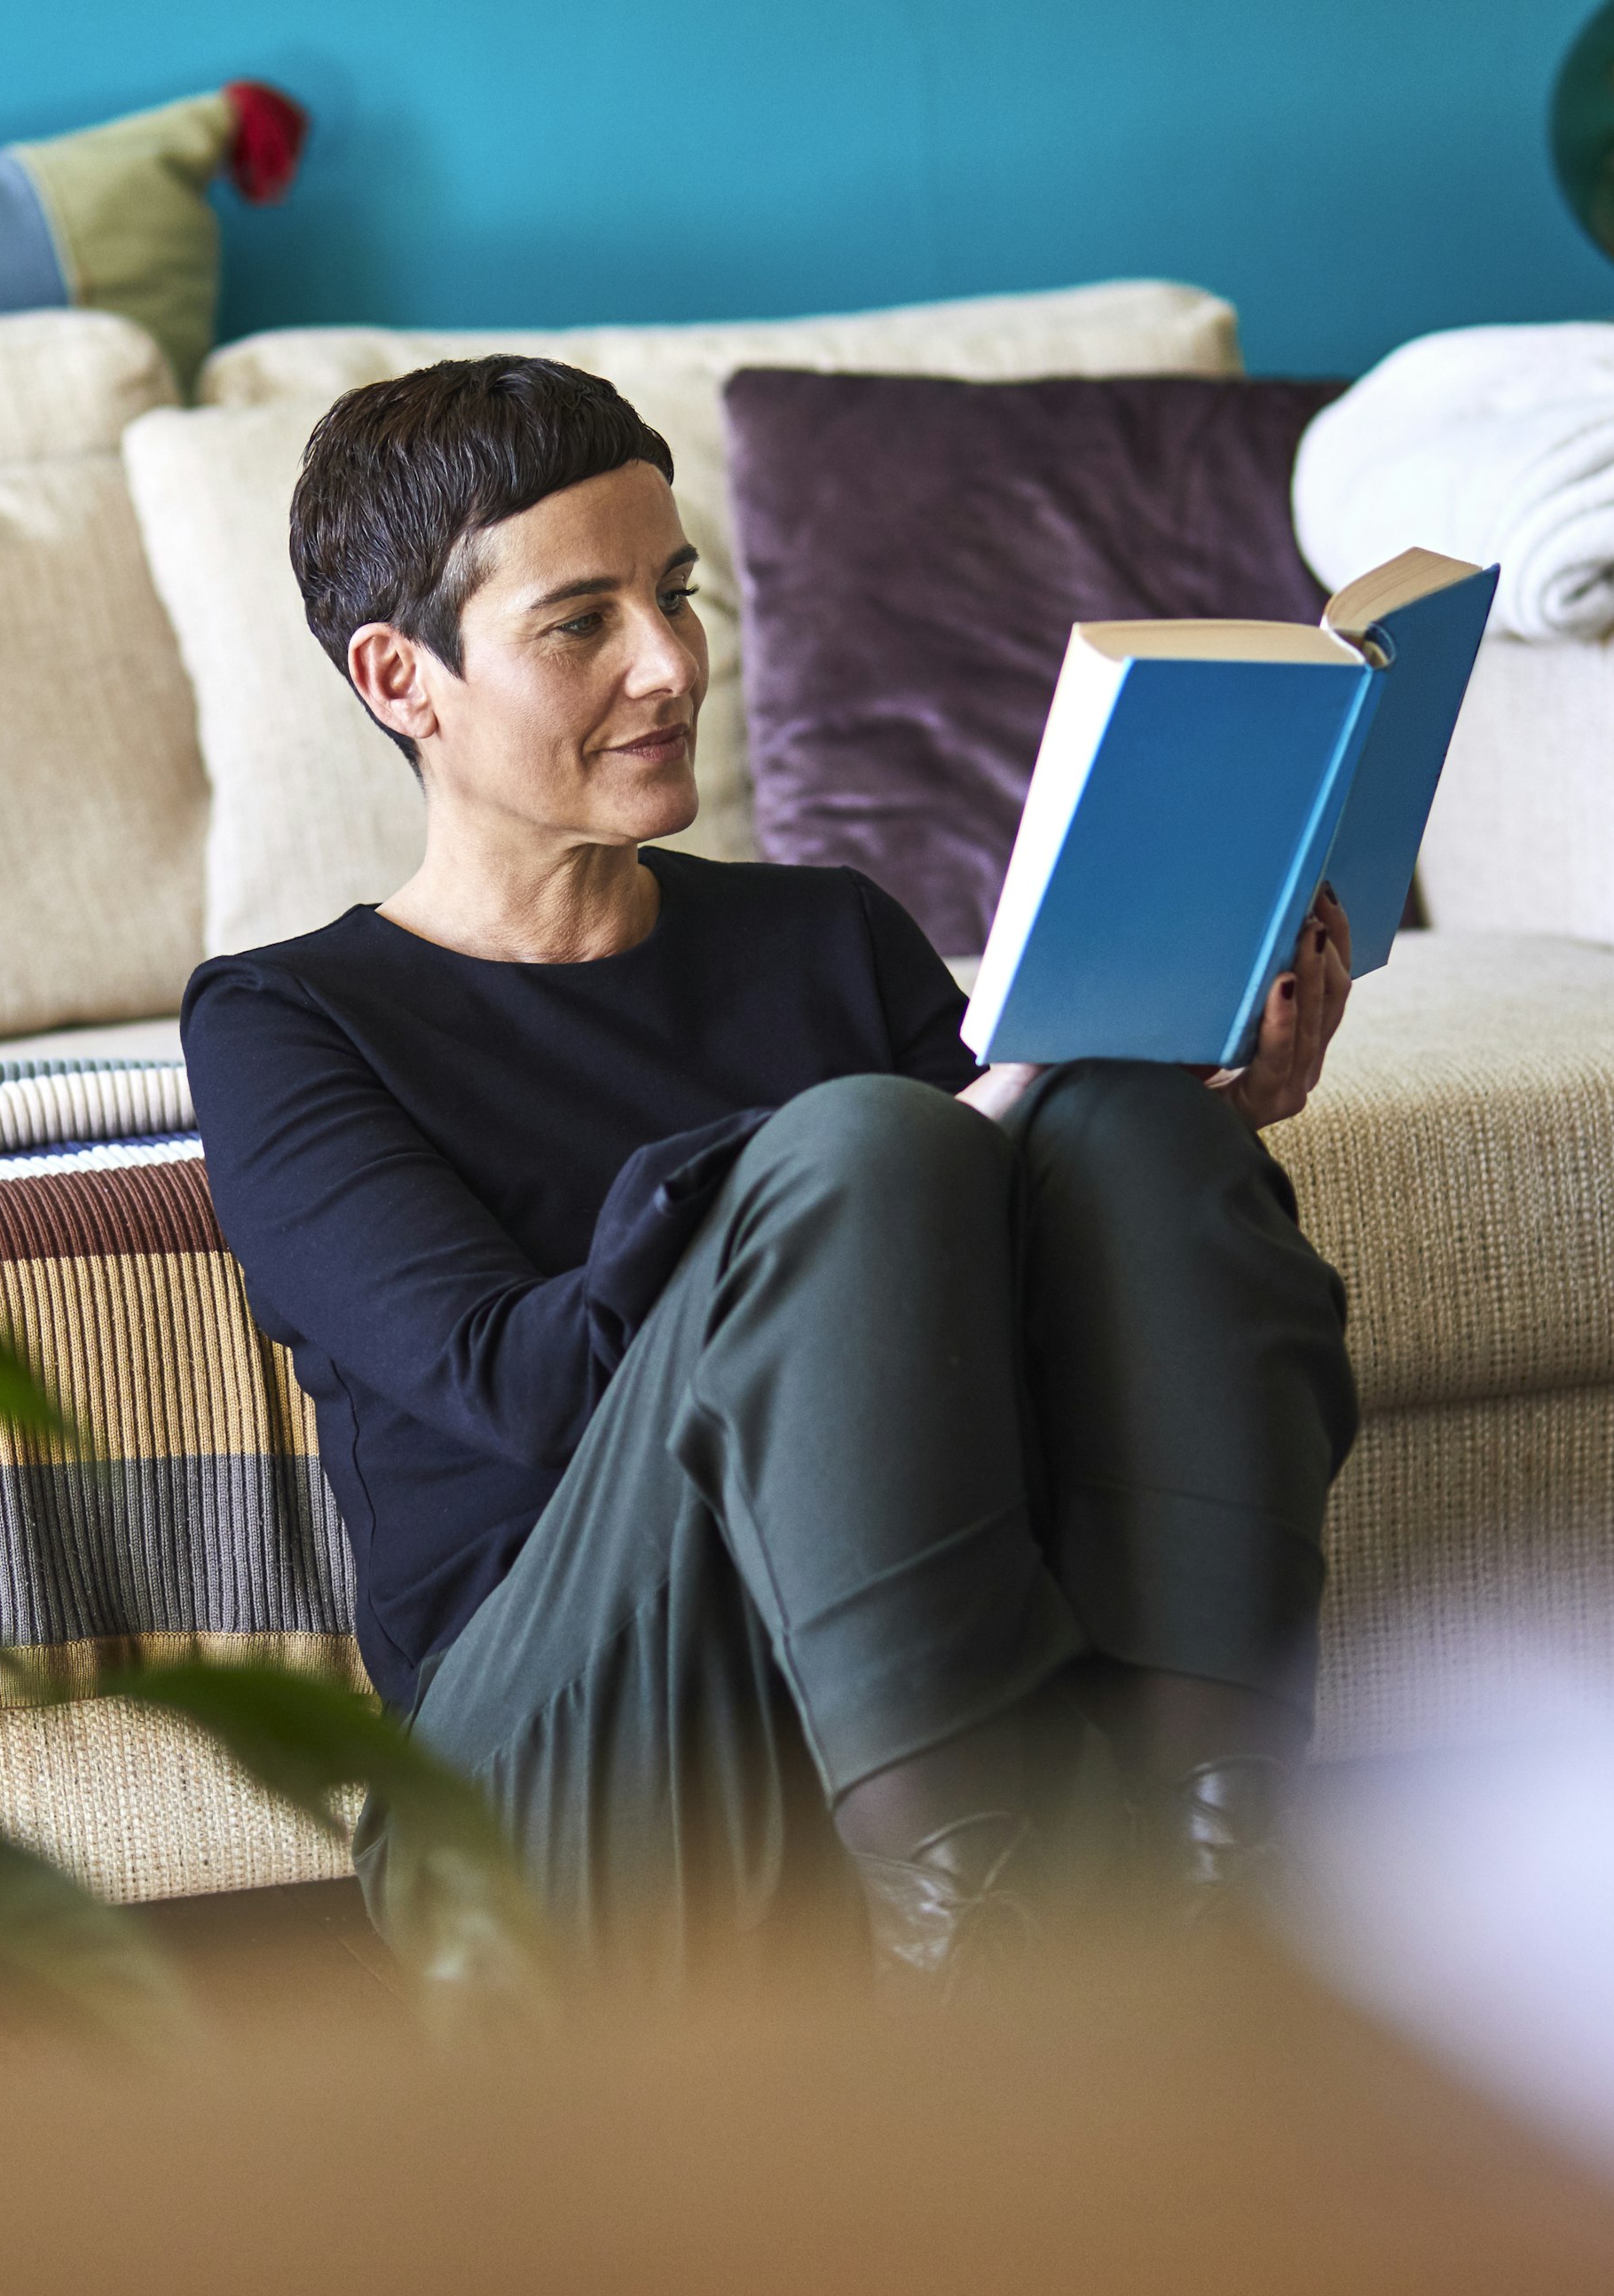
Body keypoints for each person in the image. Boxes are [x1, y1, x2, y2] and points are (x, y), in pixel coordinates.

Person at [180, 357, 1358, 1997]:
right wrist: (809, 1179)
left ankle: (1217, 1865)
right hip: (557, 1787)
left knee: (1128, 1123)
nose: (671, 666)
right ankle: (985, 1954)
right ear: (402, 679)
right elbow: (510, 1390)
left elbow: (1026, 1316)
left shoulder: (827, 933)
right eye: (580, 623)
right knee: (871, 1139)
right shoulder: (290, 1023)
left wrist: (1205, 1105)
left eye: (675, 594)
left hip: (890, 1697)